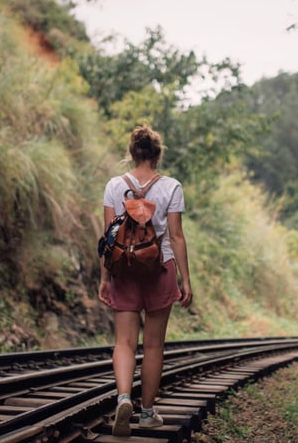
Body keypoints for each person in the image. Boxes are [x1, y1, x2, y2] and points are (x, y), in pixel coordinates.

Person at [98, 124, 193, 437]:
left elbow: (109, 235)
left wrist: (104, 276)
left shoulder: (114, 185)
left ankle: (124, 397)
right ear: (157, 155)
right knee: (153, 345)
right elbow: (176, 237)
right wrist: (185, 279)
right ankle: (148, 412)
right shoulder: (171, 187)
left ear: (132, 153)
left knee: (124, 342)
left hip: (124, 269)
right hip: (160, 268)